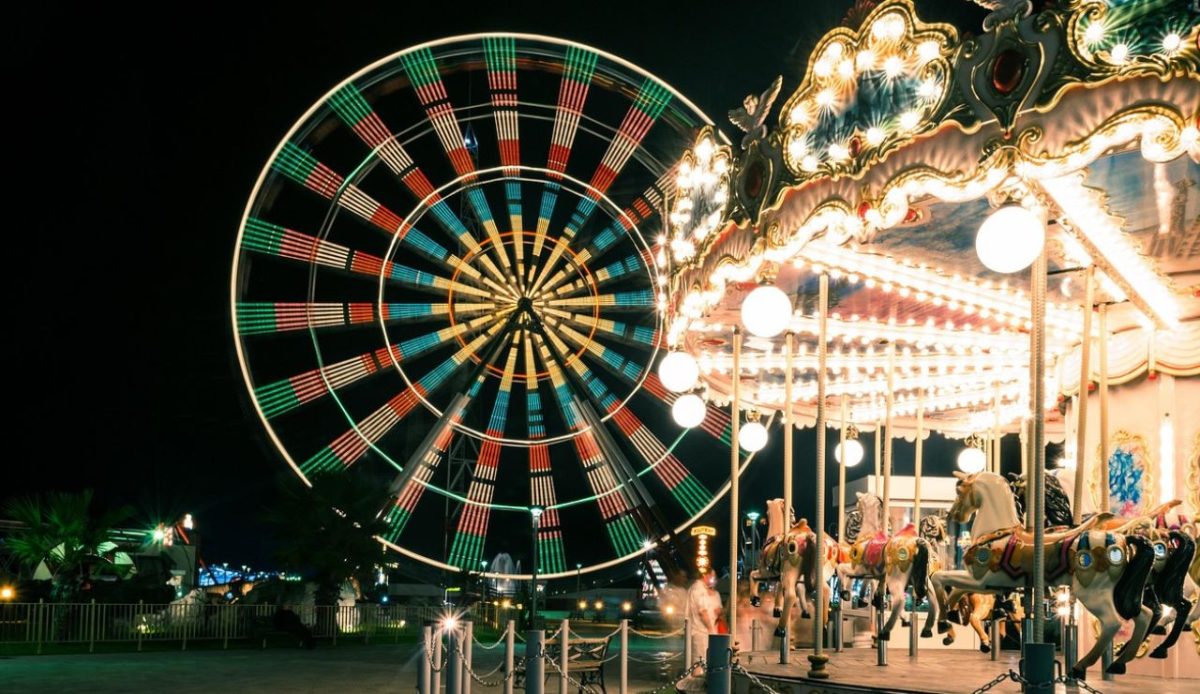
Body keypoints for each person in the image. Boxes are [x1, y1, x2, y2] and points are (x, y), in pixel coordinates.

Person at [684, 568, 722, 676]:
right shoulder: (698, 590)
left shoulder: (700, 589)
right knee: (700, 660)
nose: (714, 579)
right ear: (706, 575)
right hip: (701, 631)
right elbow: (703, 612)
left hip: (703, 631)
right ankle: (696, 686)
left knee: (703, 659)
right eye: (712, 576)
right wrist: (711, 629)